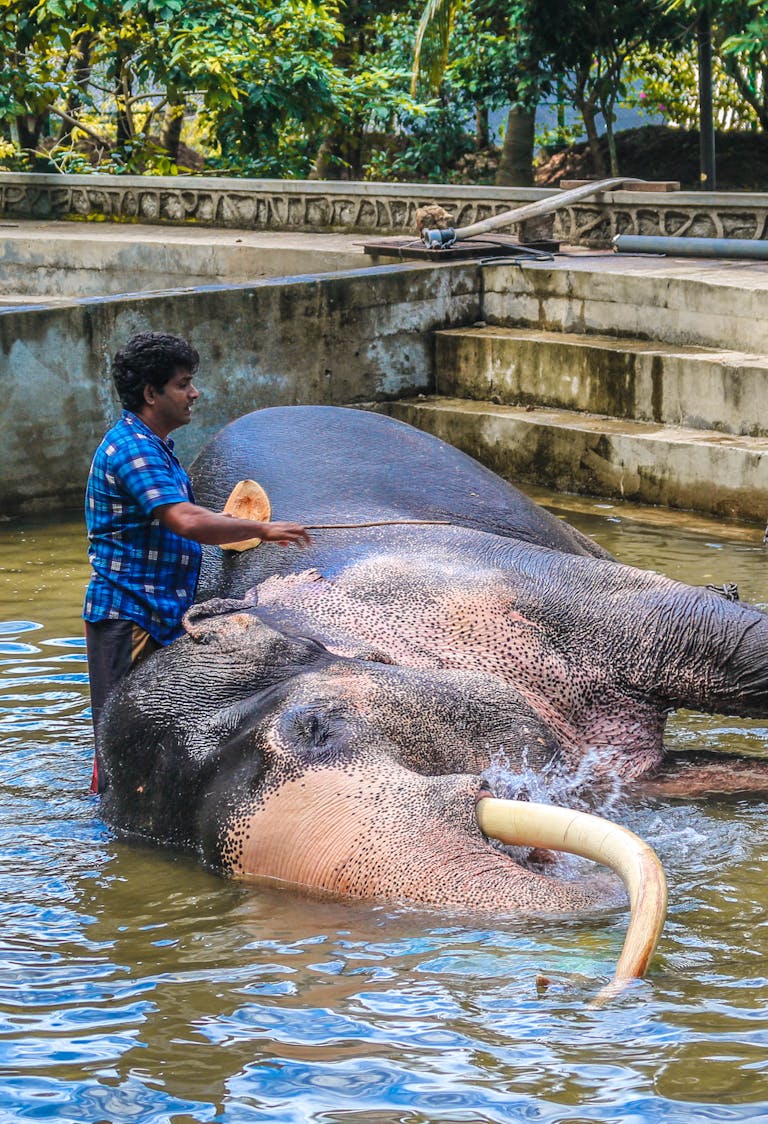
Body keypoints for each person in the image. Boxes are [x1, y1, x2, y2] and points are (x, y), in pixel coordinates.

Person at [83, 331, 310, 792]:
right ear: (152, 394)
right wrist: (260, 529)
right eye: (184, 383)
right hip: (129, 614)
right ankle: (106, 843)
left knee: (150, 734)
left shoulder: (155, 445)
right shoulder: (133, 449)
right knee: (117, 742)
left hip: (159, 611)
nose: (194, 393)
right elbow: (184, 520)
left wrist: (231, 524)